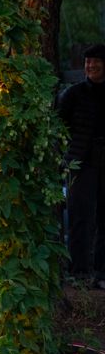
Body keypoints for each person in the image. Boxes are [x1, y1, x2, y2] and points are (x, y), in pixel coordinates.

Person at [59, 43, 105, 289]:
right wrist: (66, 153)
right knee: (79, 216)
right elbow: (58, 125)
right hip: (81, 162)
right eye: (88, 62)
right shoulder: (73, 94)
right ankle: (79, 271)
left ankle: (101, 272)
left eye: (96, 62)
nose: (91, 66)